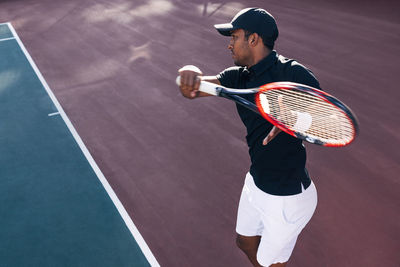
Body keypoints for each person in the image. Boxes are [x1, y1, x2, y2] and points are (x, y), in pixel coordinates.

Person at [177, 7, 319, 267]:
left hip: (287, 197)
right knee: (244, 241)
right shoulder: (237, 78)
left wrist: (293, 120)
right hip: (256, 180)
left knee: (268, 263)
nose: (229, 45)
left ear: (253, 39)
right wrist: (189, 72)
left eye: (234, 37)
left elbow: (326, 118)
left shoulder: (293, 74)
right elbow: (194, 89)